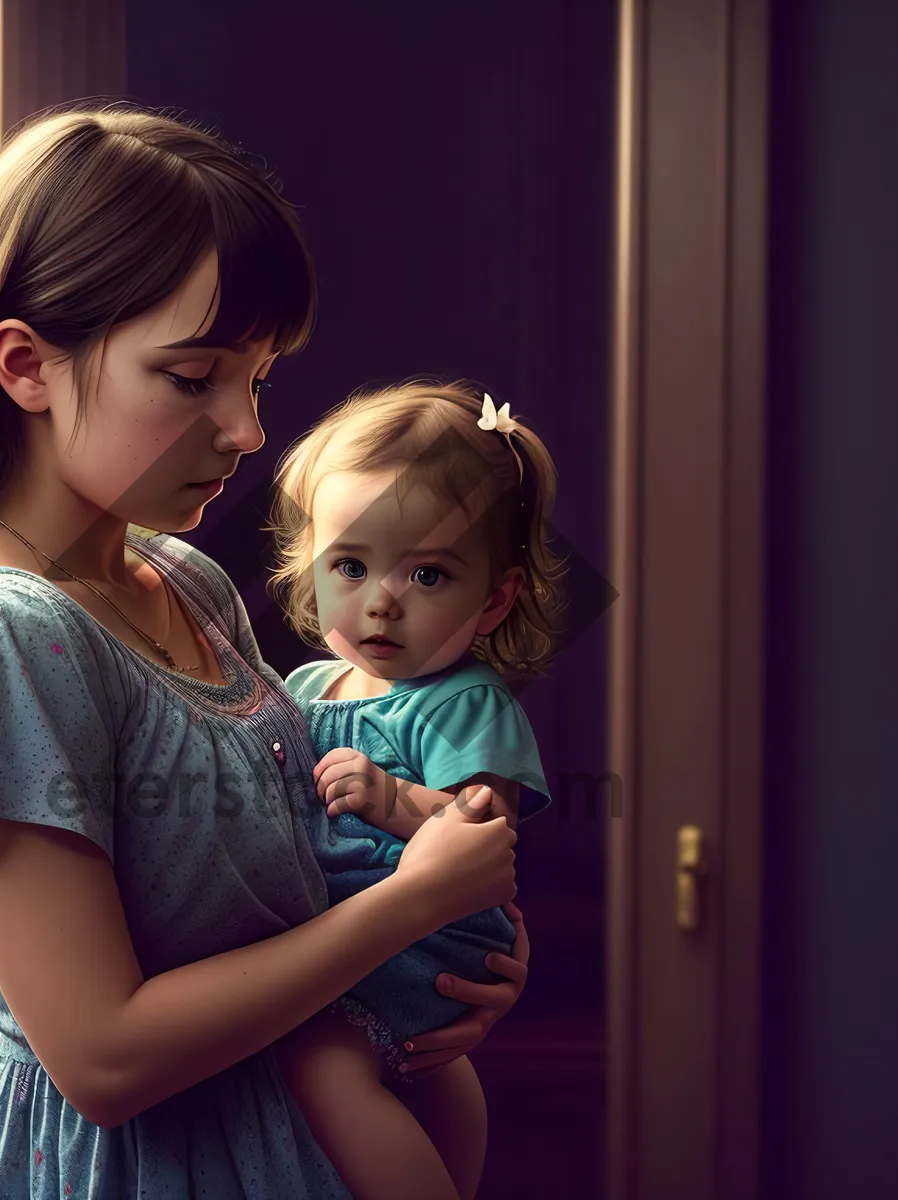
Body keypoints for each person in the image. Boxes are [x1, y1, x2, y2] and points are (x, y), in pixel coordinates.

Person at [0, 104, 528, 1199]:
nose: (244, 430)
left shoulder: (184, 581)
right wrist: (410, 908)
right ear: (25, 366)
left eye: (259, 378)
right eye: (194, 379)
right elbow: (104, 1059)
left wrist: (438, 968)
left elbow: (288, 892)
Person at [266, 381, 563, 1199]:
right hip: (365, 926)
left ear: (494, 598)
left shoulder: (462, 701)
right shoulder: (312, 685)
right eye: (351, 567)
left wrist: (393, 799)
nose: (382, 602)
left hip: (431, 931)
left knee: (322, 1064)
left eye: (429, 575)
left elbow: (483, 831)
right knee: (432, 1069)